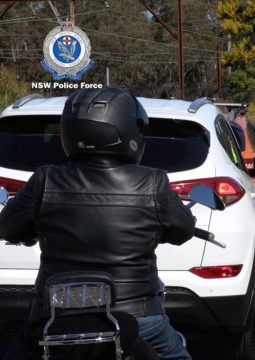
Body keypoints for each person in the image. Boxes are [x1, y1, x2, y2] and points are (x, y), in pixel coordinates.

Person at [0, 86, 195, 359]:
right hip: (137, 315)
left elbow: (7, 227)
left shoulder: (45, 180)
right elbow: (183, 229)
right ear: (127, 129)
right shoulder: (152, 182)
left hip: (54, 317)